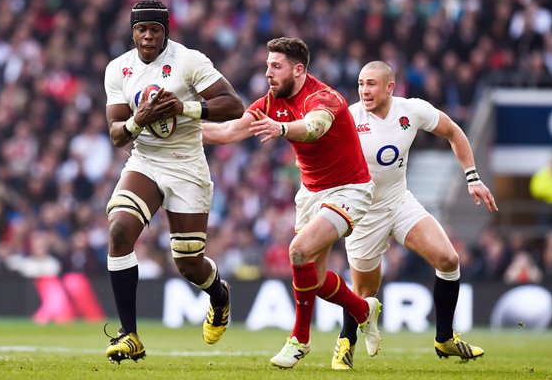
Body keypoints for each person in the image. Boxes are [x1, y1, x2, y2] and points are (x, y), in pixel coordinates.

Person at [202, 37, 381, 369]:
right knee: (315, 275)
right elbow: (228, 131)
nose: (268, 72)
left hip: (349, 189)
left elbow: (314, 127)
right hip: (311, 193)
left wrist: (281, 128)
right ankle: (363, 309)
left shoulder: (324, 97)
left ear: (298, 70)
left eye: (276, 66)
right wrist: (180, 129)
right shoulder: (271, 101)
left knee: (298, 251)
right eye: (267, 65)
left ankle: (299, 340)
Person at [330, 61, 498, 370]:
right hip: (365, 213)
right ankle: (346, 342)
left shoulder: (412, 111)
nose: (364, 90)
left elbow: (453, 131)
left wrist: (472, 177)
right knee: (365, 292)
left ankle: (444, 339)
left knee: (448, 260)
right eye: (360, 84)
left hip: (399, 201)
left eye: (371, 84)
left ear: (390, 87)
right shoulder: (350, 118)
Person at [103, 0, 244, 364]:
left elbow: (233, 104)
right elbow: (117, 135)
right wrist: (140, 119)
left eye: (155, 29)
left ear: (167, 31)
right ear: (132, 31)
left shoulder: (189, 60)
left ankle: (218, 295)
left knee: (188, 264)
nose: (148, 36)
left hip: (186, 166)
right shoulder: (118, 69)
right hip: (146, 161)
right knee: (119, 230)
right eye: (141, 29)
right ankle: (129, 334)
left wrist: (187, 108)